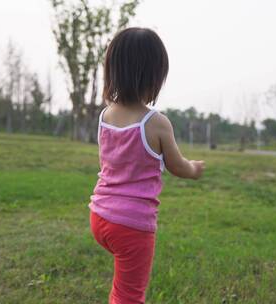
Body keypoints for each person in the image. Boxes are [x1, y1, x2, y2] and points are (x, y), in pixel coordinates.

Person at [89, 27, 206, 304]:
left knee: (121, 288)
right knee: (129, 295)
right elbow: (177, 166)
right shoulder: (156, 122)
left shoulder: (106, 116)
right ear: (155, 76)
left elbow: (107, 163)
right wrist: (194, 168)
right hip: (132, 226)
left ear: (113, 69)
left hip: (100, 217)